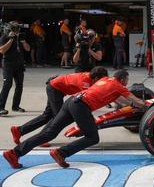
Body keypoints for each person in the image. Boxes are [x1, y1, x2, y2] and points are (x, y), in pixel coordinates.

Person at [3, 69, 146, 169]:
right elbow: (133, 100)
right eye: (127, 80)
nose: (127, 83)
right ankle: (61, 153)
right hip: (81, 107)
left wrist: (131, 105)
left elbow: (121, 101)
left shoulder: (106, 80)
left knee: (49, 133)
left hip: (71, 101)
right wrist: (148, 105)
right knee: (92, 137)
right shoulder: (119, 86)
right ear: (122, 79)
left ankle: (14, 153)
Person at [9, 67, 108, 146]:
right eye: (101, 80)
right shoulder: (85, 82)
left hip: (55, 88)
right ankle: (42, 138)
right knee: (58, 117)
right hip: (55, 89)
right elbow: (85, 99)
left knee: (47, 115)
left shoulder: (89, 77)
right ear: (96, 78)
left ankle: (19, 130)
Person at [0, 22, 31, 115]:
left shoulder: (21, 37)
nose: (17, 31)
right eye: (16, 29)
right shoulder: (4, 37)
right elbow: (2, 50)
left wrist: (23, 41)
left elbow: (28, 49)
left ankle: (15, 106)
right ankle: (1, 107)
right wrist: (11, 39)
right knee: (7, 84)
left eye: (18, 29)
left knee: (19, 86)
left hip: (19, 64)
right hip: (8, 64)